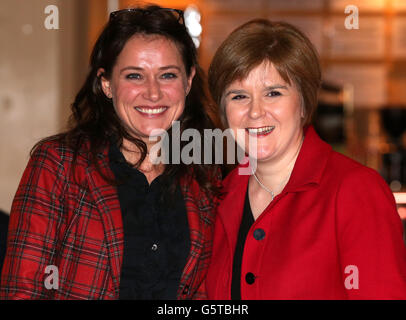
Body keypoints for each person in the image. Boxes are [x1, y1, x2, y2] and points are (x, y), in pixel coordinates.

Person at [0, 5, 220, 300]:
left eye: (167, 75)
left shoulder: (206, 175)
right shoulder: (58, 165)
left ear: (189, 80)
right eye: (134, 76)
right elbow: (21, 290)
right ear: (106, 84)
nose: (153, 93)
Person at [205, 19, 406, 299]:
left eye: (273, 93)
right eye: (239, 96)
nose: (255, 112)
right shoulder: (217, 197)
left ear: (303, 103)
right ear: (224, 112)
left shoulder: (355, 190)